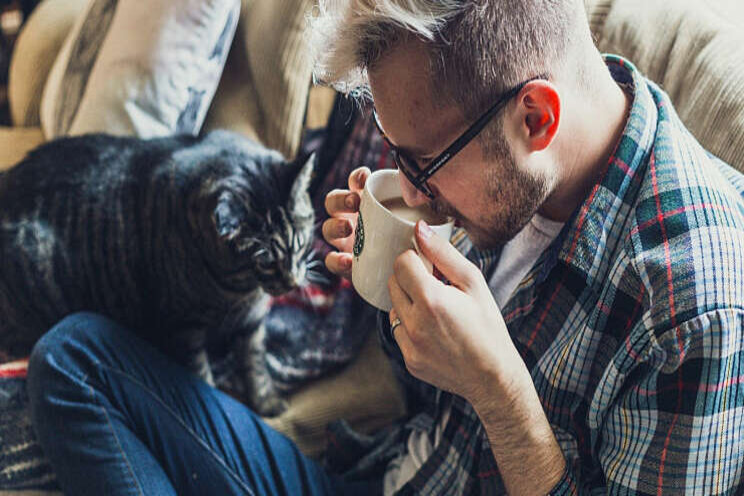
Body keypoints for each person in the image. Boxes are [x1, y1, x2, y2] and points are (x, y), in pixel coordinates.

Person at [25, 1, 744, 495]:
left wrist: (502, 398)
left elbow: (492, 405)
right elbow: (426, 396)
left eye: (421, 163)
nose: (410, 188)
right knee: (74, 358)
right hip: (387, 476)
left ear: (536, 116)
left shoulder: (694, 311)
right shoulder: (516, 169)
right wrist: (387, 288)